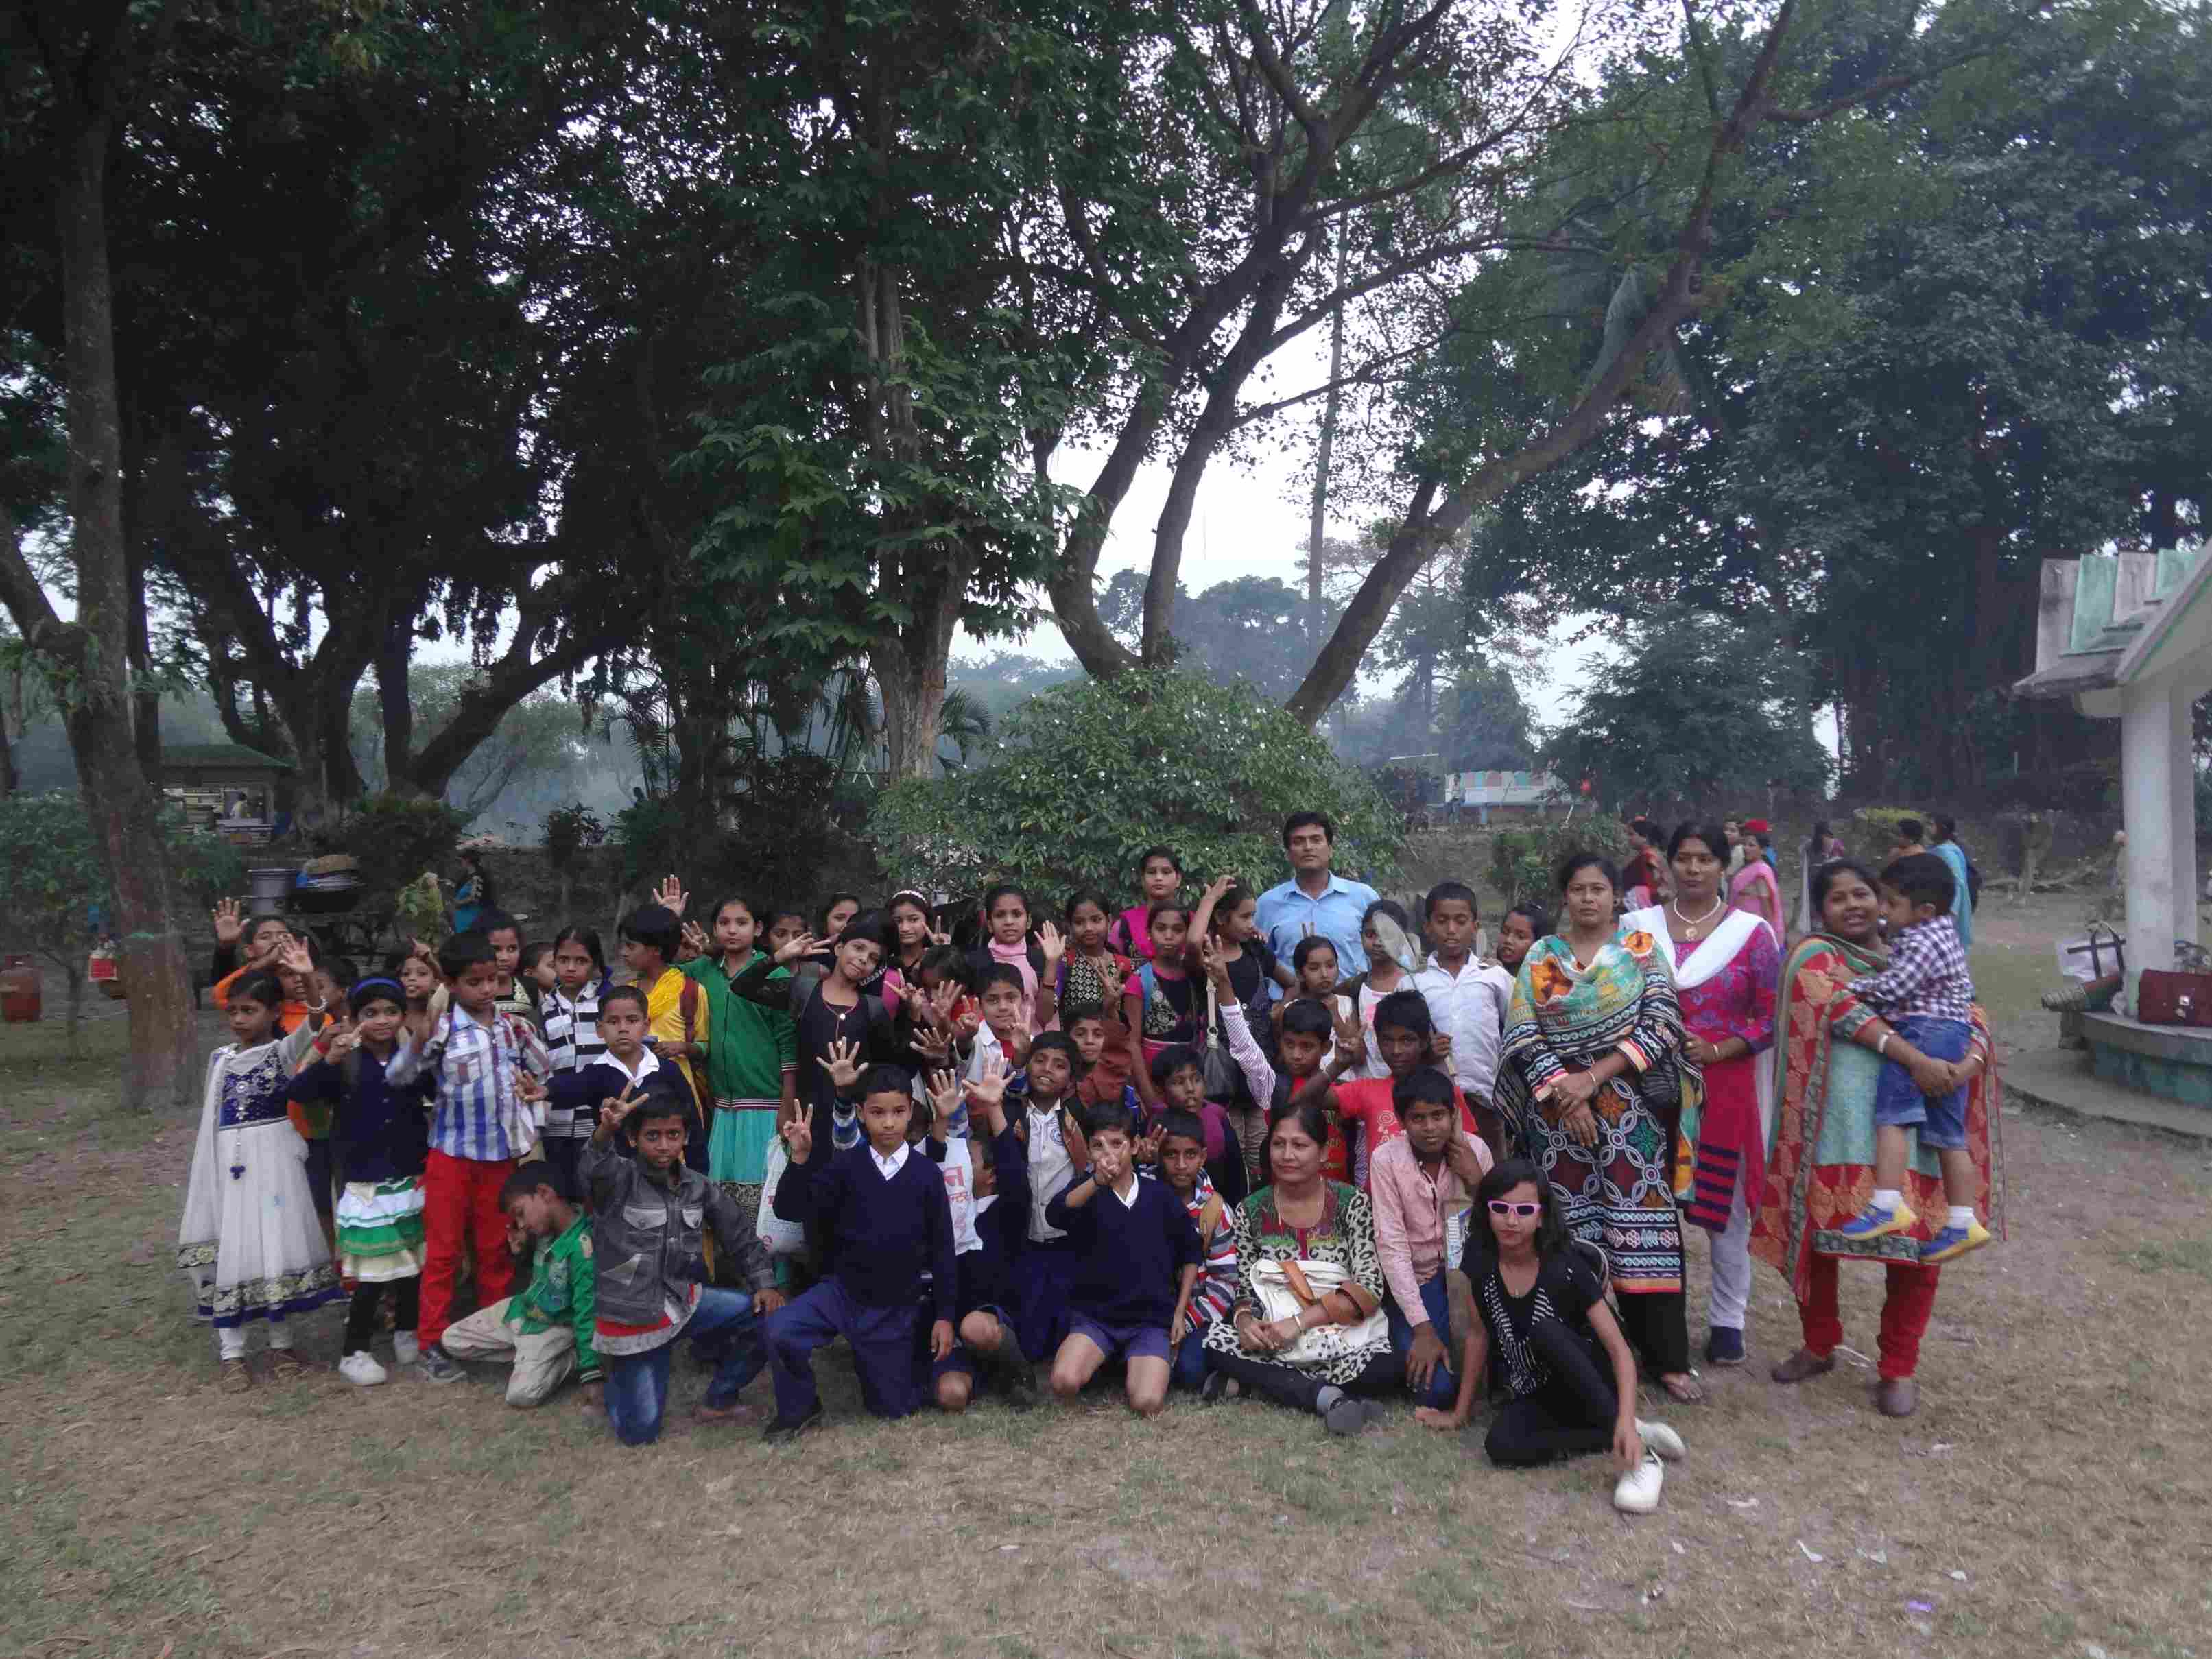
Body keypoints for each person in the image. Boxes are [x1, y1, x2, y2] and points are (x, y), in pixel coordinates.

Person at [1752, 859, 2003, 1416]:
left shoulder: (1919, 946)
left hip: (1912, 1134)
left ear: (1885, 899)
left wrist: (1966, 1063)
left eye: (1862, 893)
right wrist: (1918, 1060)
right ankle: (1819, 1343)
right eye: (1837, 897)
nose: (1853, 905)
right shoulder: (1814, 957)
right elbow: (1843, 1010)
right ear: (1821, 910)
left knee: (1917, 1249)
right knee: (1819, 1243)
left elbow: (1971, 1011)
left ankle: (1898, 1366)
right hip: (1835, 1131)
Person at [1496, 852, 1702, 1403]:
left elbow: (1661, 1024)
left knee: (1643, 1229)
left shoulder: (1638, 949)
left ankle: (1665, 1357)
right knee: (1566, 1231)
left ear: (1615, 896)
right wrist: (1567, 1095)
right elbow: (1523, 1033)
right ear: (1565, 896)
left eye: (1598, 889)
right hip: (1555, 1116)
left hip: (1630, 1114)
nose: (1588, 898)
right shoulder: (1543, 954)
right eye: (1577, 889)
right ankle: (1579, 1354)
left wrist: (1593, 1078)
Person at [1422, 1160, 1686, 1514]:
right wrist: (1459, 1413)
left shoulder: (1567, 1266)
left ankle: (1642, 1458)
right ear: (1486, 1211)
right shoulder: (1479, 1259)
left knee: (1546, 1330)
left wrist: (1623, 1413)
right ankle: (1617, 1431)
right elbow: (1478, 1334)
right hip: (1539, 1388)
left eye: (1524, 1210)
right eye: (1500, 1208)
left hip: (1590, 1376)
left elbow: (1620, 1351)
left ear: (1541, 1216)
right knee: (1501, 1446)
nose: (1511, 1220)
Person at [1624, 822, 1779, 1370]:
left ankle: (1727, 1320)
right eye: (1683, 857)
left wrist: (1717, 1049)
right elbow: (1612, 994)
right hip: (1646, 1083)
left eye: (1704, 858)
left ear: (1722, 865)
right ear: (1667, 863)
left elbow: (1770, 1016)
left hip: (1723, 1084)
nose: (1692, 868)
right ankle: (1649, 1318)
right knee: (1644, 1199)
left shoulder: (1751, 933)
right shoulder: (1637, 928)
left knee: (1724, 1206)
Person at [384, 931, 552, 1385]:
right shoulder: (442, 1029)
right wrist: (417, 1042)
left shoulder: (512, 1027)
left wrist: (533, 1082)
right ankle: (431, 1343)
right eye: (474, 982)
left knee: (495, 1249)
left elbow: (545, 1070)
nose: (486, 989)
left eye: (492, 980)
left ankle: (489, 1336)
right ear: (453, 985)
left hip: (499, 1158)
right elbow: (397, 1076)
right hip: (452, 1157)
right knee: (443, 1252)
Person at [176, 945, 343, 1393]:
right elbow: (212, 1121)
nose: (238, 1019)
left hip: (276, 1166)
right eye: (233, 1011)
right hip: (231, 1167)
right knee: (236, 1245)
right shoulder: (220, 1060)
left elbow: (316, 1020)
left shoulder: (284, 1053)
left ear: (274, 1013)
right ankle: (231, 1352)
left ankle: (281, 1344)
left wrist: (306, 975)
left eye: (249, 1010)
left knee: (274, 1245)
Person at [582, 1079, 784, 1444]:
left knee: (766, 1316)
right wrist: (603, 1133)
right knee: (640, 1433)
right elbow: (591, 1171)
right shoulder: (617, 1180)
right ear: (632, 1139)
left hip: (682, 1302)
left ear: (686, 1137)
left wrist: (765, 1284)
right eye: (652, 1136)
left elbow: (740, 1236)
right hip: (633, 1320)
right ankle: (620, 1376)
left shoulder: (698, 1186)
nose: (664, 1145)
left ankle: (720, 1400)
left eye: (673, 1135)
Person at [763, 1066, 957, 1438]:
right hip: (843, 1294)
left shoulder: (927, 1174)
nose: (889, 1123)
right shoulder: (846, 1166)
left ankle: (889, 1361)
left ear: (911, 1111)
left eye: (898, 1112)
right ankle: (799, 1407)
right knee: (781, 1328)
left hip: (894, 1307)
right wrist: (799, 1158)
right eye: (877, 1113)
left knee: (892, 1408)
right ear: (861, 1113)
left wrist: (945, 1316)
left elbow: (943, 1249)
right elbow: (789, 1209)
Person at [1197, 1098, 1401, 1433]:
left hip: (1337, 1330)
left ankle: (1257, 1386)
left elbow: (1369, 1286)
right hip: (1274, 1334)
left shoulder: (1352, 1203)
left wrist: (1299, 1323)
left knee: (1386, 1367)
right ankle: (1326, 1396)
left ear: (1323, 1153)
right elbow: (1244, 1286)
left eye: (1300, 1145)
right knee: (1215, 1347)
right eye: (1278, 1144)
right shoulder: (1251, 1210)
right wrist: (1246, 1322)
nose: (1287, 1155)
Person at [1833, 854, 1990, 1265]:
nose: (1883, 911)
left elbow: (1896, 987)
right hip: (1953, 1034)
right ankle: (1963, 1220)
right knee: (1949, 1135)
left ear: (1924, 910)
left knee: (1893, 1116)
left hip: (1923, 1030)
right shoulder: (1941, 932)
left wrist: (1854, 984)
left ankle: (1886, 1203)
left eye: (1892, 902)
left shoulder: (1921, 940)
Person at [287, 973, 431, 1386]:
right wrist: (330, 1058)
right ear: (354, 1018)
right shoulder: (346, 1062)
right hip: (366, 1186)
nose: (382, 1020)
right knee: (371, 1273)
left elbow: (438, 1089)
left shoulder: (412, 1059)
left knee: (411, 1266)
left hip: (410, 1178)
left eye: (391, 1011)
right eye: (371, 1013)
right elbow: (299, 1092)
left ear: (402, 1016)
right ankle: (355, 1351)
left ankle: (407, 1331)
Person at [1044, 1098, 1202, 1416]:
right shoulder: (1085, 1191)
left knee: (1147, 1403)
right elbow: (1056, 1214)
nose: (1108, 1154)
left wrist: (1179, 1313)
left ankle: (1130, 1362)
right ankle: (1106, 1358)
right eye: (1098, 1146)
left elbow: (1191, 1253)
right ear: (1089, 1152)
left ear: (1134, 1146)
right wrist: (1096, 1182)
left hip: (1149, 1321)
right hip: (1096, 1319)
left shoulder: (1159, 1195)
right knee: (1064, 1382)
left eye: (1117, 1144)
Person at [673, 894, 800, 1230]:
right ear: (714, 929)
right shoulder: (703, 971)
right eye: (724, 923)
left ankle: (769, 1264)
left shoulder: (775, 975)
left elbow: (789, 1044)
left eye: (742, 923)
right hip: (721, 1105)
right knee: (722, 1202)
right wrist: (671, 923)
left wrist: (787, 1103)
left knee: (764, 1199)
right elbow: (664, 975)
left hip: (766, 1104)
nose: (732, 930)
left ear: (758, 929)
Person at [1370, 1067, 1491, 1409]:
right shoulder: (1387, 1159)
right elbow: (1392, 1246)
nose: (1429, 1127)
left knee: (1494, 1373)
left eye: (1438, 1116)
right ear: (1401, 1121)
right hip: (1419, 1283)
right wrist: (1422, 1328)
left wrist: (1476, 1180)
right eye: (1418, 1118)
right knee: (1435, 1391)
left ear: (1454, 1115)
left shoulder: (1477, 1150)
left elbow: (1501, 1226)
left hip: (1469, 1280)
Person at [922, 1060, 1038, 1411]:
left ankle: (1018, 1375)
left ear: (991, 1175)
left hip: (990, 1322)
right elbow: (932, 1167)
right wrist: (941, 1121)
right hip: (951, 1329)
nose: (956, 1167)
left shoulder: (1006, 1209)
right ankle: (986, 1376)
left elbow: (1013, 1171)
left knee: (975, 1326)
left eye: (967, 1161)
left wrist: (994, 1107)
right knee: (951, 1396)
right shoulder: (945, 1212)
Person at [436, 1166, 602, 1409]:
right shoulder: (544, 1231)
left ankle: (570, 1358)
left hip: (551, 1327)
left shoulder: (581, 1246)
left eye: (520, 1213)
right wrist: (520, 1251)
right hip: (520, 1312)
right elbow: (535, 1275)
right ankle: (529, 1356)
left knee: (522, 1395)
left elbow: (586, 1311)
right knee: (451, 1340)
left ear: (544, 1193)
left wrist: (591, 1370)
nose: (521, 1224)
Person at [1309, 990, 1483, 1189]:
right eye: (1387, 1041)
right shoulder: (1367, 1090)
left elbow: (1473, 1151)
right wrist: (1338, 1066)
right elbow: (1311, 1099)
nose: (1396, 1051)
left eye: (1406, 1040)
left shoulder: (1446, 1092)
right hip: (1381, 1203)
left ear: (1424, 1042)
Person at [544, 985, 709, 1174]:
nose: (623, 1029)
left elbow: (693, 1127)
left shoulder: (668, 1070)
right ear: (600, 1029)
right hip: (617, 1178)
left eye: (631, 1020)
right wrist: (546, 1090)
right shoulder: (597, 1074)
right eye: (613, 1021)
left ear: (646, 1026)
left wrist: (699, 1177)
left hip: (666, 1175)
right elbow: (572, 1086)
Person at [1411, 881, 1514, 1146]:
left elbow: (1517, 1028)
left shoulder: (1493, 976)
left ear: (1475, 926)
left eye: (1460, 921)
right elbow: (1403, 1043)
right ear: (1427, 927)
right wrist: (1427, 1051)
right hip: (1433, 1105)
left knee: (1490, 1167)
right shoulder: (1415, 982)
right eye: (1442, 921)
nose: (1451, 929)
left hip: (1487, 1101)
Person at [1147, 1108, 1239, 1392]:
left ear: (1203, 1156)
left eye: (1190, 1155)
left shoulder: (1216, 1211)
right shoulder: (1142, 1195)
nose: (1181, 1165)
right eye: (1171, 1155)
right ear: (1158, 1156)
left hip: (1198, 1314)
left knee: (1189, 1372)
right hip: (1149, 1311)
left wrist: (1186, 1322)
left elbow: (1225, 1283)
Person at [1254, 811, 1382, 996]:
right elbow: (1259, 962)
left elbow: (1383, 954)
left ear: (1330, 849)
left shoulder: (1363, 897)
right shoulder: (1267, 904)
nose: (1308, 847)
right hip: (1290, 1009)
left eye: (1316, 840)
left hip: (1352, 1005)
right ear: (1288, 854)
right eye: (1299, 842)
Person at [618, 901, 710, 1113]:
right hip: (633, 1094)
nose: (623, 952)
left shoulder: (690, 991)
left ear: (656, 950)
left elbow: (705, 1047)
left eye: (630, 946)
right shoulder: (626, 993)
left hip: (679, 1096)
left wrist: (682, 1047)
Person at [538, 925, 610, 1193]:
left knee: (600, 1189)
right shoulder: (544, 1009)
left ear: (595, 964)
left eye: (581, 961)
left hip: (599, 1120)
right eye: (563, 960)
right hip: (557, 1122)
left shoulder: (606, 1003)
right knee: (564, 1191)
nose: (571, 968)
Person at [1124, 900, 1200, 1103]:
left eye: (1178, 930)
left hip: (1191, 1085)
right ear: (1149, 932)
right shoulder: (1140, 980)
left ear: (1187, 934)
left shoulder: (1195, 976)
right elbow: (1133, 1043)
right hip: (1155, 1084)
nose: (1169, 936)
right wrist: (1150, 1097)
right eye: (1161, 928)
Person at [1331, 900, 1414, 1082]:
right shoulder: (1354, 986)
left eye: (1387, 935)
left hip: (1408, 1085)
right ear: (1361, 936)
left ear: (1403, 939)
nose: (1378, 942)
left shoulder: (1413, 984)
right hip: (1366, 1085)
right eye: (1370, 934)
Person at [1111, 846, 1185, 961]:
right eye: (1151, 872)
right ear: (1142, 879)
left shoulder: (1194, 923)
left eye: (1166, 872)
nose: (1158, 878)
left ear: (1178, 879)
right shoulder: (1123, 925)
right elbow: (1112, 965)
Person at [1928, 814, 1976, 951]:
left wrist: (1952, 912)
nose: (1929, 829)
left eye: (1932, 825)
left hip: (1946, 911)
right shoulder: (1941, 849)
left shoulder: (1947, 853)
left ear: (1941, 828)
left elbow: (1957, 883)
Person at [1729, 828, 1785, 939]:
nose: (1746, 848)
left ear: (1763, 850)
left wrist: (1768, 933)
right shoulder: (1749, 868)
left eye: (1751, 845)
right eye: (1744, 844)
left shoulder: (1760, 872)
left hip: (1752, 927)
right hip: (1740, 923)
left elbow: (1766, 907)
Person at [1794, 821, 1848, 934]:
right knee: (1829, 901)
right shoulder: (1836, 844)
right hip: (1830, 878)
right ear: (1828, 830)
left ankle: (1815, 931)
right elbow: (1842, 859)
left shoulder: (1809, 845)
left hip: (1813, 880)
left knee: (1814, 905)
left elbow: (1801, 853)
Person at [1493, 901, 1549, 978]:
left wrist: (1506, 979)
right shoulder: (1490, 971)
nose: (1508, 940)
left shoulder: (1547, 982)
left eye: (1520, 937)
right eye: (1505, 932)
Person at [1622, 818, 1667, 910]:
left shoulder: (1648, 858)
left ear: (1645, 837)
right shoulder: (1649, 856)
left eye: (1631, 834)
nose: (1628, 838)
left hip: (1641, 909)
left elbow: (1652, 886)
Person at [453, 846, 495, 935]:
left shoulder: (478, 876)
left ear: (468, 861)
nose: (461, 862)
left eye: (462, 860)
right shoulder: (465, 877)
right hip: (463, 917)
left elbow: (474, 898)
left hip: (471, 917)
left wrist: (459, 902)